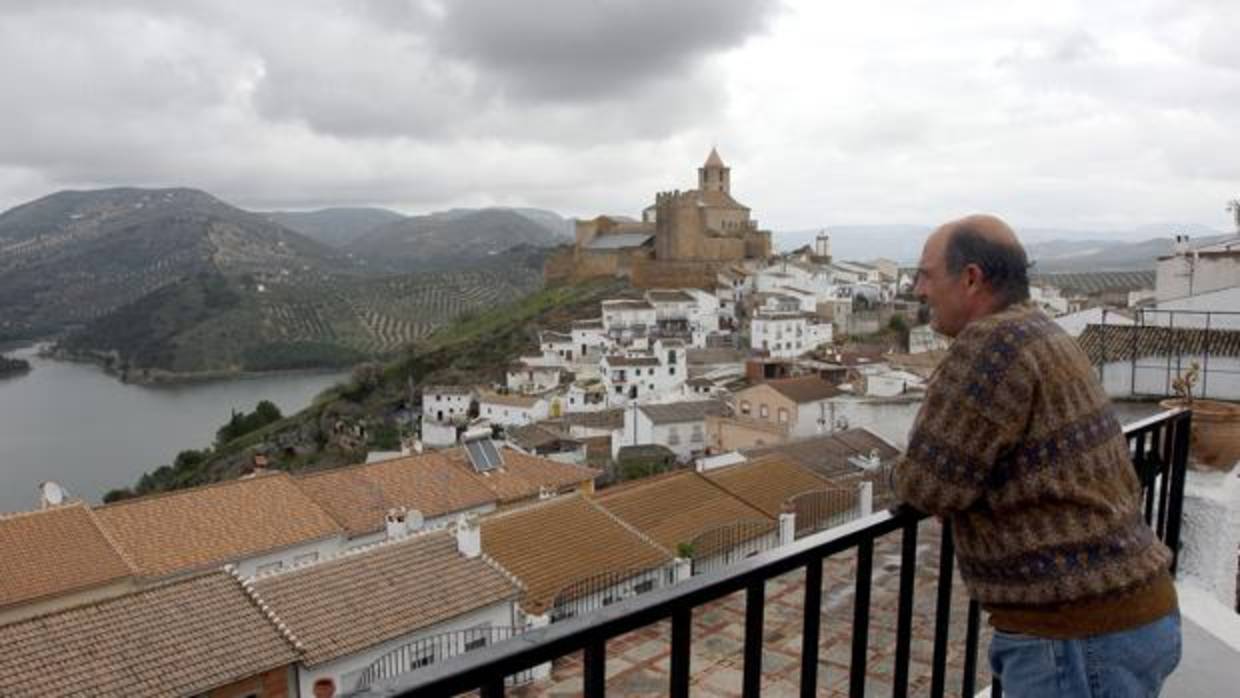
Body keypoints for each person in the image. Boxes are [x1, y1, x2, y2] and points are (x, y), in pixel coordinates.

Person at [892, 214, 1181, 697]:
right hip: (1128, 614)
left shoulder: (989, 344)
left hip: (1075, 637)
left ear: (970, 278)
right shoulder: (1040, 330)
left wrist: (926, 484)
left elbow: (924, 484)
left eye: (925, 274)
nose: (918, 289)